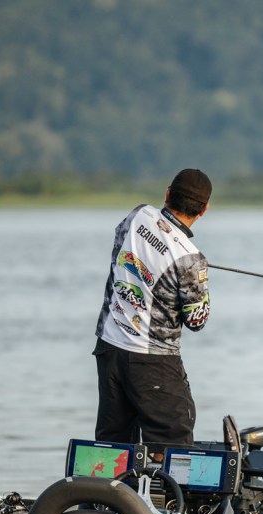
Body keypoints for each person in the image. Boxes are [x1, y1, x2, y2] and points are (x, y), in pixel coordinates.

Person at [92, 168, 212, 446]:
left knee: (114, 443)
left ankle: (104, 476)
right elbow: (197, 321)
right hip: (153, 361)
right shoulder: (190, 258)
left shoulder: (138, 215)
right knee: (172, 443)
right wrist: (200, 276)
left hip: (109, 348)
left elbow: (122, 246)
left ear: (168, 194)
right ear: (203, 209)